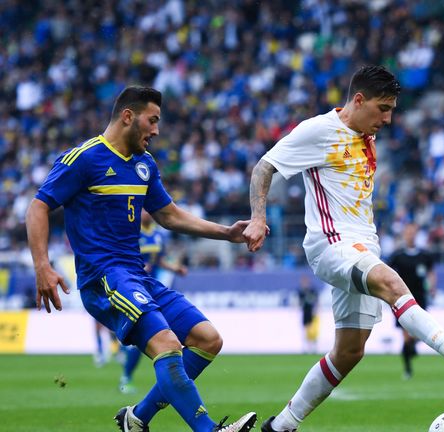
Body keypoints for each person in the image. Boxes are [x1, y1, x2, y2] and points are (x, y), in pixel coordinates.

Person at [243, 65, 444, 432]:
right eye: (382, 109)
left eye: (392, 111)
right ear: (358, 100)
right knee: (392, 283)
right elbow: (264, 167)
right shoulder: (319, 131)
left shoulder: (365, 132)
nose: (387, 119)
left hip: (361, 245)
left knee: (350, 351)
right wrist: (258, 218)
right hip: (331, 245)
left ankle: (281, 426)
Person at [26, 86, 258, 432]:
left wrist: (226, 232)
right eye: (153, 121)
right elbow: (38, 206)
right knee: (166, 344)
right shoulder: (84, 159)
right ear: (127, 117)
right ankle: (208, 430)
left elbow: (169, 215)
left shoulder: (144, 165)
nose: (157, 130)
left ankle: (137, 419)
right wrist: (42, 266)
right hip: (103, 278)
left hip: (138, 276)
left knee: (208, 339)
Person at [118, 209, 191, 394]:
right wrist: (139, 266)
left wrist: (175, 268)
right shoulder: (133, 231)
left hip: (153, 287)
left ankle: (126, 357)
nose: (147, 214)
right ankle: (126, 376)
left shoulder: (158, 234)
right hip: (134, 288)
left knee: (155, 334)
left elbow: (160, 260)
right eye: (143, 210)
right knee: (144, 335)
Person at [388, 223, 437, 380]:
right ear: (404, 235)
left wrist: (432, 288)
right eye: (408, 233)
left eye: (413, 232)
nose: (410, 235)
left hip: (420, 298)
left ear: (416, 234)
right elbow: (386, 272)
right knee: (407, 337)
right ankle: (408, 369)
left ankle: (412, 351)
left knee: (418, 335)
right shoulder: (397, 255)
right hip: (401, 299)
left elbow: (431, 273)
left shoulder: (424, 255)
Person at [297, 275, 320, 354]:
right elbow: (299, 303)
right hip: (305, 313)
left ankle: (314, 347)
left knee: (313, 330)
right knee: (305, 330)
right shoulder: (301, 292)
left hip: (312, 312)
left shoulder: (312, 291)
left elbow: (316, 301)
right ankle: (306, 348)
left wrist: (316, 310)